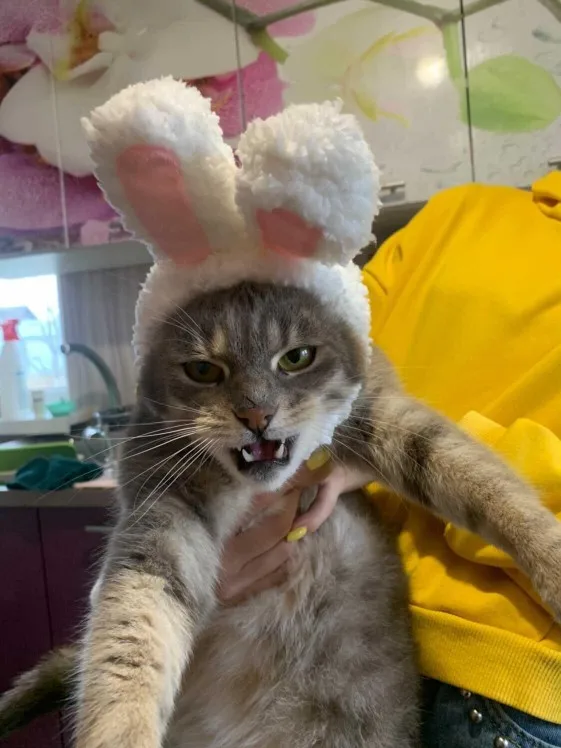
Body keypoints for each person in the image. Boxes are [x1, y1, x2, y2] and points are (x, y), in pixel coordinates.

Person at [217, 173, 561, 748]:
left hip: (500, 676)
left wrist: (390, 454)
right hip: (304, 624)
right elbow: (324, 361)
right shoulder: (452, 215)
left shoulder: (454, 216)